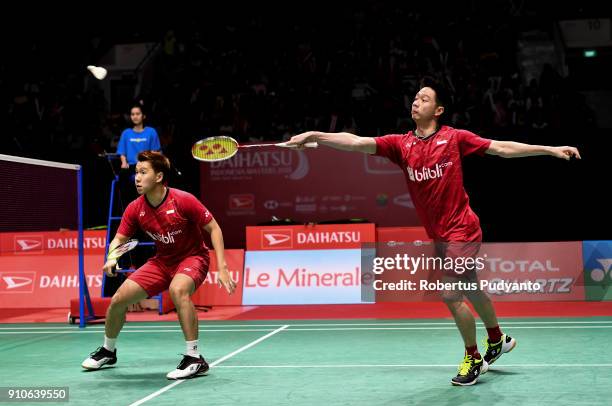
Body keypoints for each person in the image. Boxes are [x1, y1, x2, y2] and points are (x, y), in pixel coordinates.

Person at [287, 77, 581, 386]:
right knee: (469, 286)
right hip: (440, 235)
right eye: (415, 97)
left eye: (424, 99)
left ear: (438, 110)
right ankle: (497, 339)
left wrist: (548, 149)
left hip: (463, 230)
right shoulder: (401, 145)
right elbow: (357, 142)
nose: (416, 102)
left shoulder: (454, 138)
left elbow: (502, 149)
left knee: (450, 292)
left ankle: (473, 357)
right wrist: (316, 136)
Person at [82, 150, 237, 379]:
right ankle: (108, 350)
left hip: (193, 258)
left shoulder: (183, 200)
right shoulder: (135, 208)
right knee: (118, 299)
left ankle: (194, 358)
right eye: (136, 172)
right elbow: (120, 238)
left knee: (178, 290)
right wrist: (112, 257)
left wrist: (222, 267)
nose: (137, 177)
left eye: (143, 172)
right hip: (162, 262)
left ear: (158, 177)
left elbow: (214, 228)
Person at [116, 104, 161, 205]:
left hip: (147, 166)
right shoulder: (126, 133)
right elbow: (122, 153)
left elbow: (156, 152)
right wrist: (123, 162)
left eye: (138, 114)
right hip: (132, 167)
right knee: (123, 176)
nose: (135, 116)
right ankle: (128, 210)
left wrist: (149, 162)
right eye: (132, 114)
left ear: (143, 116)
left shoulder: (151, 132)